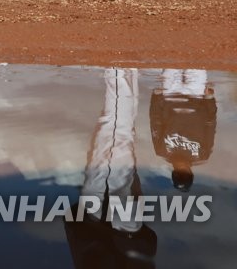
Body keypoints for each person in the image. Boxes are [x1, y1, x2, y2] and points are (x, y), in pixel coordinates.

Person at [64, 68, 157, 265]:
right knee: (117, 134)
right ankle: (121, 73)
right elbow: (149, 244)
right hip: (120, 228)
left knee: (115, 134)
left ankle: (122, 74)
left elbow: (149, 243)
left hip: (99, 219)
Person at [149, 69, 215, 192]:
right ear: (190, 173)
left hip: (171, 97)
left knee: (171, 63)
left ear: (174, 173)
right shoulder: (202, 154)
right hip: (197, 98)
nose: (181, 170)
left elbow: (155, 122)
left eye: (178, 175)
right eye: (185, 175)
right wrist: (210, 99)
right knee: (198, 63)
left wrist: (156, 98)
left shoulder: (162, 150)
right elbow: (210, 125)